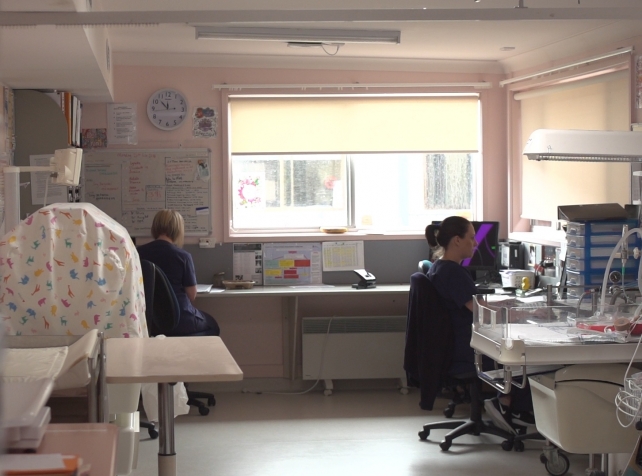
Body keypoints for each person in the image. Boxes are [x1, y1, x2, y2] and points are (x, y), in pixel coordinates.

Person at [425, 216, 533, 434]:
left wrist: (506, 304)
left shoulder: (439, 268)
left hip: (454, 347)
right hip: (467, 351)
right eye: (472, 238)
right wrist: (524, 313)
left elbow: (475, 304)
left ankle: (505, 402)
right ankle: (507, 406)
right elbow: (482, 312)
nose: (475, 243)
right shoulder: (453, 273)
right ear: (457, 240)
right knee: (525, 357)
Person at [137, 209, 220, 337]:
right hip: (181, 320)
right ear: (177, 230)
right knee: (213, 326)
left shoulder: (138, 253)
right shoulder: (183, 256)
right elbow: (192, 295)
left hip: (150, 322)